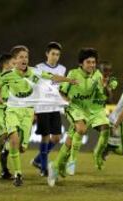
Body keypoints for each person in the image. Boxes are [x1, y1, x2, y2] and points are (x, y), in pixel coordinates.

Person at [0, 45, 76, 186]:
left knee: (22, 148)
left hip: (28, 112)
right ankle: (18, 175)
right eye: (21, 57)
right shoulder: (7, 75)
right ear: (14, 60)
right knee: (14, 139)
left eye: (26, 57)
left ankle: (6, 148)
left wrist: (69, 80)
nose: (24, 59)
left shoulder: (34, 72)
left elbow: (52, 77)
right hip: (12, 110)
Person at [47, 48, 110, 186]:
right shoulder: (73, 74)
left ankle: (55, 167)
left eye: (94, 62)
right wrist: (67, 100)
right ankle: (72, 161)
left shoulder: (97, 75)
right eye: (89, 62)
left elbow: (102, 95)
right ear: (81, 63)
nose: (92, 65)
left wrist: (106, 88)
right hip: (74, 108)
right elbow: (61, 91)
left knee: (70, 140)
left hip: (88, 110)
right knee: (81, 129)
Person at [30, 42, 67, 177]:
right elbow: (34, 88)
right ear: (47, 54)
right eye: (53, 54)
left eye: (57, 54)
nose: (55, 57)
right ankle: (43, 168)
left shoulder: (62, 69)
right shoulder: (38, 68)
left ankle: (37, 160)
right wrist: (33, 109)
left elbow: (60, 89)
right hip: (42, 107)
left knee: (56, 138)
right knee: (45, 137)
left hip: (55, 107)